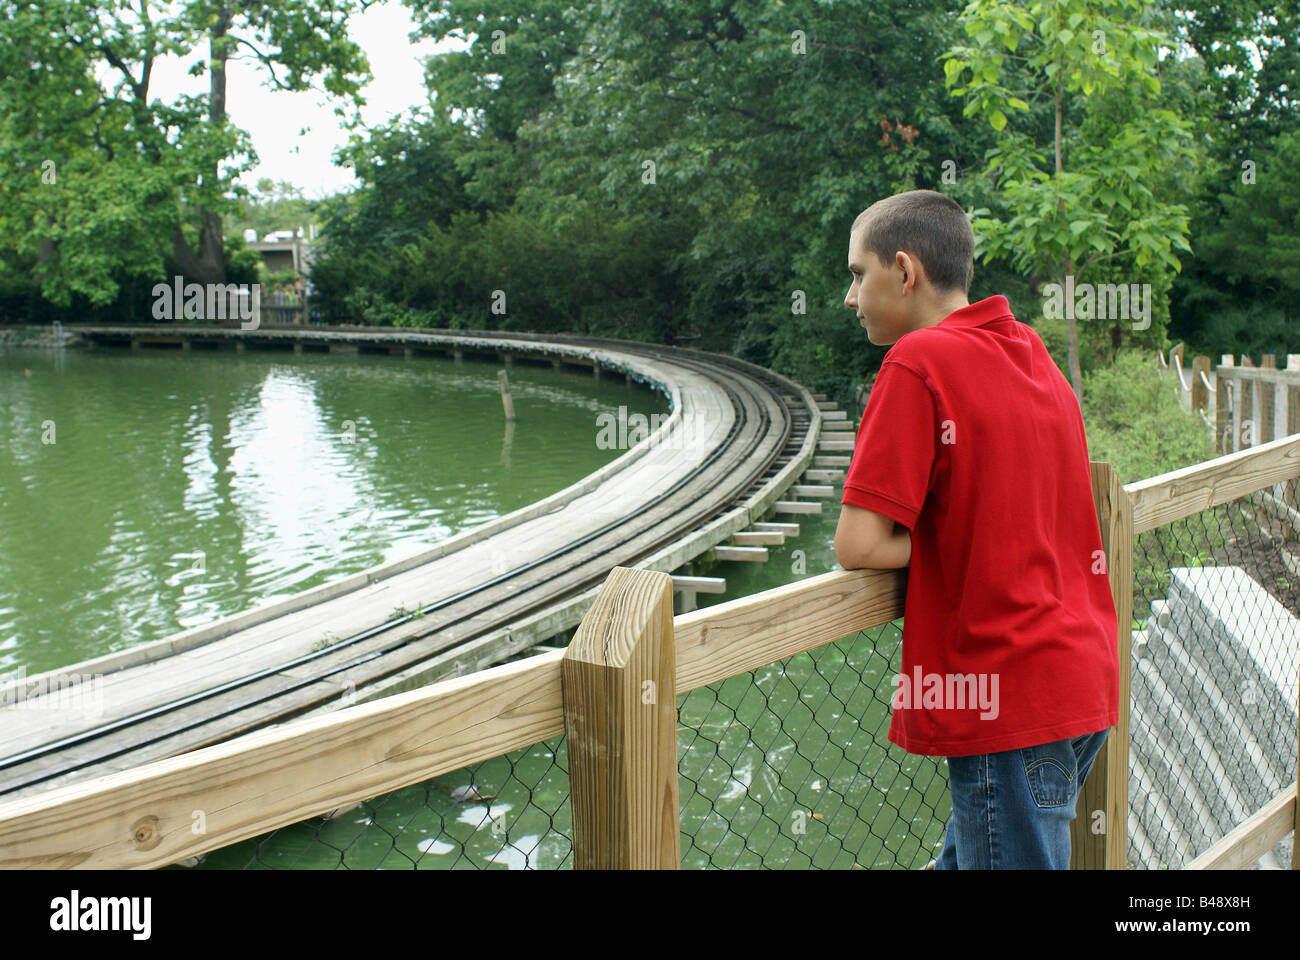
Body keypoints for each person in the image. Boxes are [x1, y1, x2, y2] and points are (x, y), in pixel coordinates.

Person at [833, 189, 1119, 870]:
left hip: (1006, 694)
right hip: (1081, 675)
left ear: (904, 272)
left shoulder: (918, 362)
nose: (849, 297)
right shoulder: (1030, 354)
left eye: (856, 274)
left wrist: (941, 540)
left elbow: (859, 544)